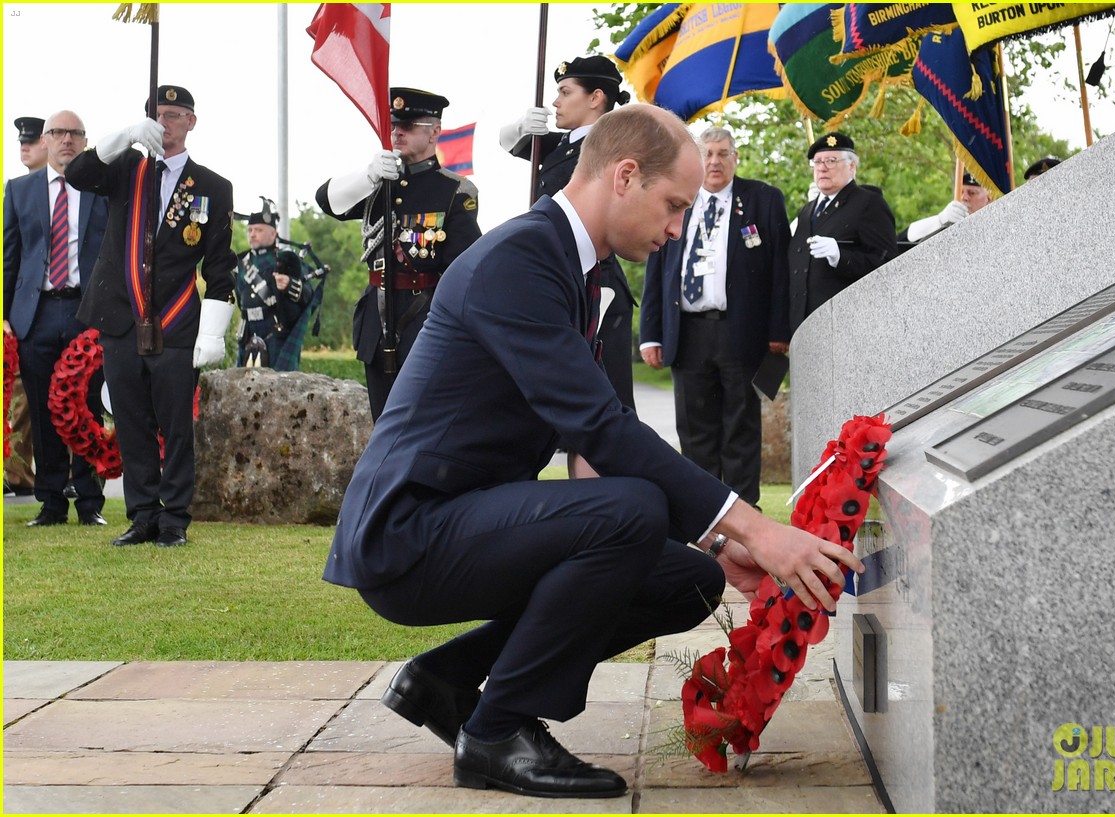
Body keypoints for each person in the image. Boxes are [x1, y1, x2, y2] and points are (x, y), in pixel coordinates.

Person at [324, 104, 864, 800]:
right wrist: (757, 529)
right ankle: (496, 732)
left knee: (688, 578)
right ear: (625, 176)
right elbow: (603, 428)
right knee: (631, 511)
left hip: (462, 515)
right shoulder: (519, 260)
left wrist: (716, 539)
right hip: (408, 533)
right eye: (673, 205)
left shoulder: (573, 265)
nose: (677, 229)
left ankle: (446, 679)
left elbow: (598, 435)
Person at [67, 84, 236, 548]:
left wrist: (212, 333)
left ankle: (175, 518)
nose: (167, 123)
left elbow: (220, 266)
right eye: (159, 115)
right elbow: (77, 173)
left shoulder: (213, 187)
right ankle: (143, 514)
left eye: (176, 114)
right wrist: (125, 135)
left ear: (192, 122)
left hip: (176, 321)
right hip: (121, 317)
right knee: (131, 421)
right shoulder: (126, 169)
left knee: (176, 426)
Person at [639, 127, 790, 508]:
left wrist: (779, 330)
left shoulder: (763, 200)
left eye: (723, 153)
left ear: (735, 158)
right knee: (694, 429)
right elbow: (657, 268)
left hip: (741, 332)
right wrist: (651, 334)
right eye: (707, 153)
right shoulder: (676, 199)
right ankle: (702, 512)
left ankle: (745, 515)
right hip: (687, 331)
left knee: (741, 427)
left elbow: (780, 270)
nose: (715, 161)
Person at [317, 88, 481, 420]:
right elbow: (327, 201)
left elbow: (462, 271)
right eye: (393, 125)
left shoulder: (454, 191)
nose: (397, 133)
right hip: (376, 321)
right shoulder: (377, 184)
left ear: (434, 132)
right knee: (382, 420)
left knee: (419, 422)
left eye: (407, 126)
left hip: (424, 320)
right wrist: (368, 176)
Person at [499, 56, 637, 408]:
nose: (555, 102)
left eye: (565, 92)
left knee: (606, 399)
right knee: (567, 398)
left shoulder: (615, 149)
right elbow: (506, 142)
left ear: (595, 98)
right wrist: (521, 126)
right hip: (560, 277)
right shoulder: (562, 145)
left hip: (597, 283)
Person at [3, 111, 109, 526]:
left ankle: (89, 501)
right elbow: (10, 257)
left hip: (87, 310)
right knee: (43, 409)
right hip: (37, 313)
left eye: (75, 133)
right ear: (45, 140)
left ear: (84, 142)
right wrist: (5, 316)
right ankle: (50, 503)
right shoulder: (19, 190)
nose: (67, 139)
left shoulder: (100, 189)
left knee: (87, 406)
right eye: (59, 132)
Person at [789, 131, 898, 335]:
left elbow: (888, 264)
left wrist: (841, 257)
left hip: (846, 325)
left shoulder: (868, 203)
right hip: (805, 326)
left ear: (851, 166)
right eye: (817, 162)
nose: (822, 167)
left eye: (831, 161)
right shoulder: (807, 210)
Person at [4, 116, 47, 498]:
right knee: (21, 401)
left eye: (31, 141)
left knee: (72, 395)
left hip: (67, 306)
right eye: (21, 142)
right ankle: (17, 474)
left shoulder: (75, 188)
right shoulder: (16, 190)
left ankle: (79, 474)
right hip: (25, 314)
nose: (24, 147)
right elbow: (10, 257)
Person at [233, 197, 312, 370]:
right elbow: (239, 299)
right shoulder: (240, 262)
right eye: (250, 230)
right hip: (247, 332)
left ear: (273, 234)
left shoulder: (286, 260)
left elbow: (308, 295)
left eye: (259, 230)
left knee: (280, 383)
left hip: (276, 333)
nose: (252, 234)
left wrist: (290, 284)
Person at [899, 170, 994, 246]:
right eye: (961, 192)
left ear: (989, 199)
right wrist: (940, 220)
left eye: (972, 193)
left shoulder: (994, 228)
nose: (964, 197)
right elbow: (902, 241)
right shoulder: (946, 227)